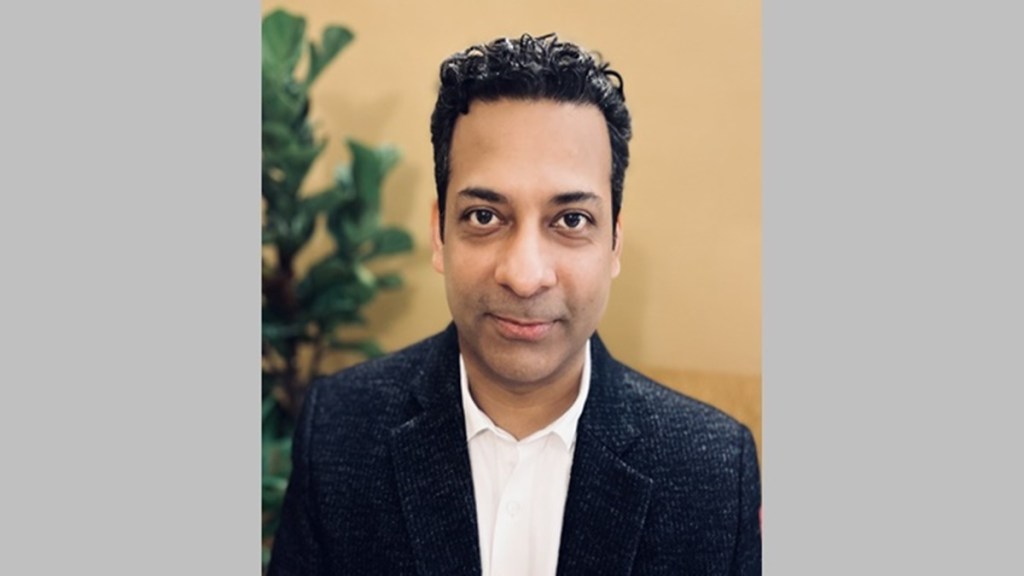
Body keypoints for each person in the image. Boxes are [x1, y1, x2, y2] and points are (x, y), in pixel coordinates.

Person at [268, 33, 761, 576]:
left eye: (570, 220)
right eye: (485, 216)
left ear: (614, 243)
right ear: (439, 234)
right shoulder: (339, 432)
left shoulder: (713, 473)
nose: (525, 278)